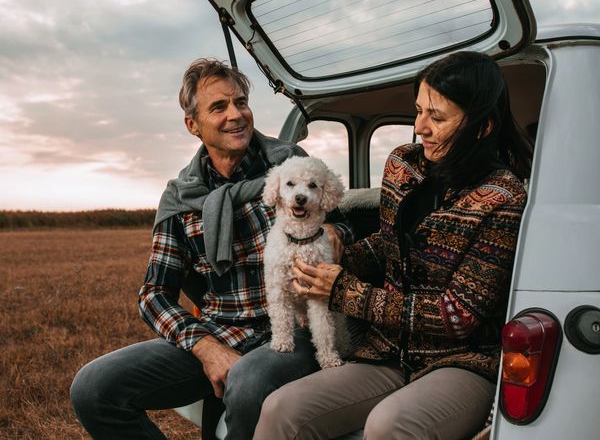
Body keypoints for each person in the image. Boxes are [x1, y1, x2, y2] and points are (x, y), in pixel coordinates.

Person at [253, 51, 534, 440]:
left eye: (437, 117)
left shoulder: (504, 197)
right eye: (418, 111)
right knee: (280, 410)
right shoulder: (403, 164)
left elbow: (458, 316)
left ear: (483, 127)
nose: (420, 127)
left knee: (388, 425)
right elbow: (388, 247)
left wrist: (346, 291)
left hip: (460, 361)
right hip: (384, 351)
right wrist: (336, 253)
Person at [69, 58, 353, 440]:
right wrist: (204, 346)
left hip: (290, 329)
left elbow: (349, 221)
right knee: (93, 388)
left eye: (240, 102)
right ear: (193, 124)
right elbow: (154, 295)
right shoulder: (182, 197)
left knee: (250, 382)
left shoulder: (290, 168)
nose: (235, 115)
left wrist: (337, 230)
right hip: (218, 329)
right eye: (218, 107)